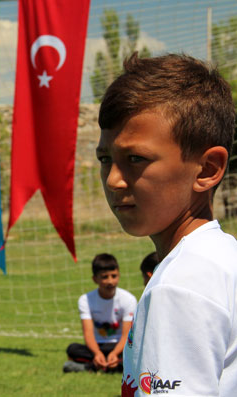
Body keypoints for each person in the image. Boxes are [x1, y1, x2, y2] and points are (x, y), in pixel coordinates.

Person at [97, 53, 237, 395]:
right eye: (105, 159)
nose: (114, 179)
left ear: (207, 169)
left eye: (135, 159)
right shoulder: (224, 257)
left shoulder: (178, 287)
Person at [64, 253, 137, 373]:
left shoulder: (129, 299)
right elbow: (88, 334)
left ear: (119, 275)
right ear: (95, 279)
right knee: (73, 349)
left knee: (137, 350)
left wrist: (114, 353)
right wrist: (97, 353)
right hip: (98, 346)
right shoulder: (85, 299)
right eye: (104, 277)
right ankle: (114, 365)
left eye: (114, 276)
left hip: (119, 346)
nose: (110, 281)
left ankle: (90, 367)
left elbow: (126, 335)